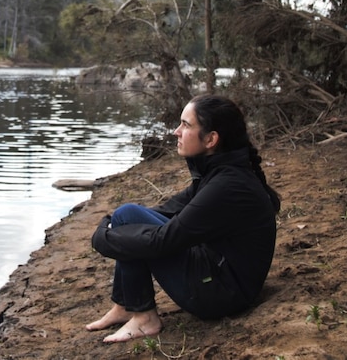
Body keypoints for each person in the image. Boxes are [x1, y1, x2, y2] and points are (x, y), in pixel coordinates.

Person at [87, 94, 281, 343]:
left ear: (211, 139)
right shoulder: (217, 174)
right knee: (127, 216)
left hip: (222, 293)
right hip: (220, 274)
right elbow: (166, 211)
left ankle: (145, 319)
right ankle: (126, 305)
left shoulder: (228, 186)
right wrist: (115, 223)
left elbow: (163, 242)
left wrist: (104, 238)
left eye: (186, 125)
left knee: (128, 221)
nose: (176, 132)